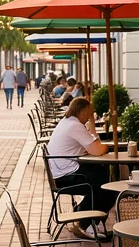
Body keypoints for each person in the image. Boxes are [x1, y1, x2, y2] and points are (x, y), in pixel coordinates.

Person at [46, 96, 115, 239]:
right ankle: (84, 224)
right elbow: (97, 150)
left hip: (60, 173)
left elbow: (91, 146)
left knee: (103, 177)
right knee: (108, 186)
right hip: (66, 177)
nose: (91, 115)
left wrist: (92, 129)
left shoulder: (67, 122)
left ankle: (84, 218)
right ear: (83, 111)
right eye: (90, 112)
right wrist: (105, 147)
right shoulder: (74, 126)